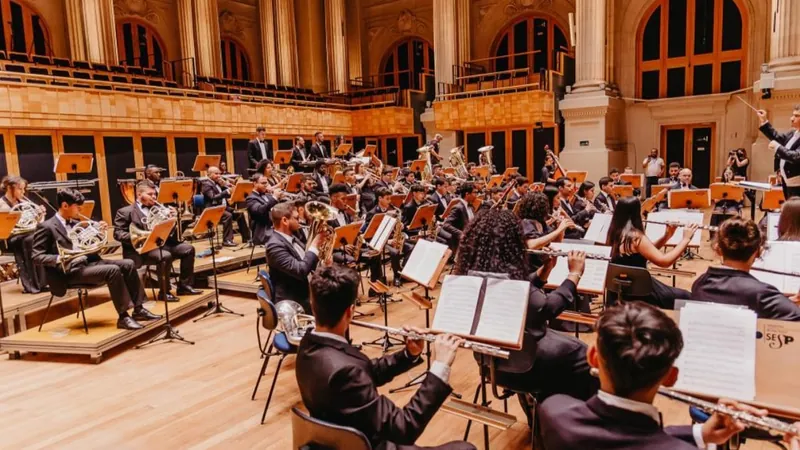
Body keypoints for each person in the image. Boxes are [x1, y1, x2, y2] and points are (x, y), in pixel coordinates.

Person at [538, 301, 769, 450]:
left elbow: (625, 439)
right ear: (671, 377)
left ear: (592, 357)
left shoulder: (554, 411)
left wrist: (700, 433)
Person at [296, 265, 474, 450]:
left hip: (338, 442)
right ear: (350, 311)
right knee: (465, 448)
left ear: (313, 304)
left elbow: (365, 371)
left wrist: (408, 354)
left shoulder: (308, 347)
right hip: (370, 445)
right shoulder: (346, 372)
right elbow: (405, 428)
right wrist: (440, 366)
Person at [455, 209, 598, 402]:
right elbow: (549, 308)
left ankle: (537, 411)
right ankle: (565, 416)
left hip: (490, 366)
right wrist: (574, 274)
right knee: (585, 354)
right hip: (526, 368)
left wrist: (545, 270)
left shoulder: (472, 277)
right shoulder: (510, 284)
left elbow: (527, 292)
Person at [33, 189, 160, 330]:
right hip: (69, 271)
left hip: (90, 263)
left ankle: (139, 309)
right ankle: (123, 317)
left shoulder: (76, 222)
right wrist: (60, 258)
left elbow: (89, 246)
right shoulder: (46, 227)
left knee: (129, 264)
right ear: (65, 206)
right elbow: (36, 256)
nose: (80, 210)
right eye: (78, 207)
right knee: (112, 270)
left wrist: (99, 233)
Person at [691, 218, 800, 320]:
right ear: (759, 252)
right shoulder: (762, 294)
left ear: (718, 249)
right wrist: (786, 304)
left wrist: (785, 302)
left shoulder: (700, 284)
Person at [114, 181, 201, 302]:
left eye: (155, 194)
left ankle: (184, 286)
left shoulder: (160, 209)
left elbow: (172, 234)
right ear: (139, 195)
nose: (154, 197)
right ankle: (164, 292)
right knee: (165, 256)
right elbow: (118, 234)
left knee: (188, 249)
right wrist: (140, 237)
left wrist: (175, 219)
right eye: (150, 194)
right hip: (140, 249)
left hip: (161, 244)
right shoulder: (125, 211)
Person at [606, 196, 697, 309]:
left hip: (621, 290)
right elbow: (664, 262)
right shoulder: (635, 237)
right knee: (687, 297)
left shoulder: (614, 233)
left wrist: (667, 236)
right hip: (641, 291)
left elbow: (645, 252)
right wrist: (685, 240)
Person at [265, 202, 323, 312]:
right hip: (294, 300)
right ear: (285, 221)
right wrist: (315, 245)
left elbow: (306, 261)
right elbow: (300, 271)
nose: (300, 221)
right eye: (296, 218)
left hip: (305, 290)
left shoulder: (292, 237)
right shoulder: (274, 246)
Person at [0, 176, 46, 293]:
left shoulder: (24, 202)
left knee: (43, 236)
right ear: (10, 189)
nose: (23, 192)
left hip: (27, 234)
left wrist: (40, 214)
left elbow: (36, 221)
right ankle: (32, 285)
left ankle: (43, 282)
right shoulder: (1, 205)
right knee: (30, 240)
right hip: (11, 238)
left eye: (24, 189)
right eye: (20, 189)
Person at [200, 166, 250, 246]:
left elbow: (226, 192)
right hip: (213, 209)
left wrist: (227, 185)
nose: (219, 176)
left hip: (222, 208)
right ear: (209, 174)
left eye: (219, 173)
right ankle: (227, 240)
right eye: (216, 174)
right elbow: (213, 197)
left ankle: (247, 238)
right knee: (228, 216)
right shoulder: (206, 184)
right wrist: (226, 191)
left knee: (239, 214)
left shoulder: (217, 183)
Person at [757, 106, 800, 199]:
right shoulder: (793, 133)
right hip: (787, 182)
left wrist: (777, 147)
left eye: (796, 116)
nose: (792, 119)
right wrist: (764, 121)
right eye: (792, 115)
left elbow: (796, 157)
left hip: (797, 184)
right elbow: (777, 137)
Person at [442, 182, 477, 251]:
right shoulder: (458, 207)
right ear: (467, 194)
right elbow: (446, 225)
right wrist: (461, 233)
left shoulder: (472, 207)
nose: (476, 195)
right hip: (461, 244)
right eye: (474, 193)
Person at [246, 175, 281, 246]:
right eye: (263, 183)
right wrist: (274, 198)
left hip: (274, 228)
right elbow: (260, 210)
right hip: (263, 232)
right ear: (255, 183)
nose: (266, 185)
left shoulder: (268, 196)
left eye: (266, 183)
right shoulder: (251, 199)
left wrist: (281, 199)